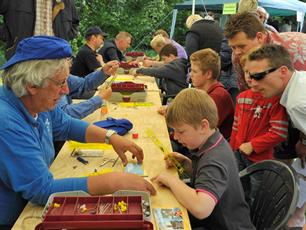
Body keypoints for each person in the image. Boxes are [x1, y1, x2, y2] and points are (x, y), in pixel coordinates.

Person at [0, 36, 156, 228]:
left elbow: (66, 125)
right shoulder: (6, 121)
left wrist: (111, 137)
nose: (66, 90)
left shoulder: (36, 101)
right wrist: (112, 182)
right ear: (31, 85)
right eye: (60, 83)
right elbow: (41, 190)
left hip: (29, 207)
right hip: (14, 219)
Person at [152, 88, 255, 230]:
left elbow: (201, 208)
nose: (175, 137)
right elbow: (208, 176)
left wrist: (171, 180)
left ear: (203, 126)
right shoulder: (214, 141)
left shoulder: (214, 159)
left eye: (180, 131)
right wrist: (187, 165)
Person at [246, 44, 306, 227]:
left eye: (258, 76)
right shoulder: (299, 82)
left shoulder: (297, 103)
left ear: (282, 71)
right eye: (250, 76)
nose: (253, 83)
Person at [230, 52, 288, 205]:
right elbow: (235, 127)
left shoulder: (273, 98)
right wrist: (232, 150)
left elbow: (279, 132)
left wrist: (253, 145)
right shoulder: (241, 97)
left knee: (256, 195)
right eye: (246, 72)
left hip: (260, 158)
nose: (249, 77)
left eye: (254, 74)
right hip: (239, 154)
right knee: (238, 189)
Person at [224, 12, 306, 91]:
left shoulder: (295, 53)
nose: (237, 52)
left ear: (259, 37)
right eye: (233, 47)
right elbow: (249, 94)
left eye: (242, 46)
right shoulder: (237, 57)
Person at [0, 0, 79, 59]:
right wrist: (9, 37)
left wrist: (66, 37)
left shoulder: (67, 1)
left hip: (57, 59)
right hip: (22, 59)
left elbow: (75, 23)